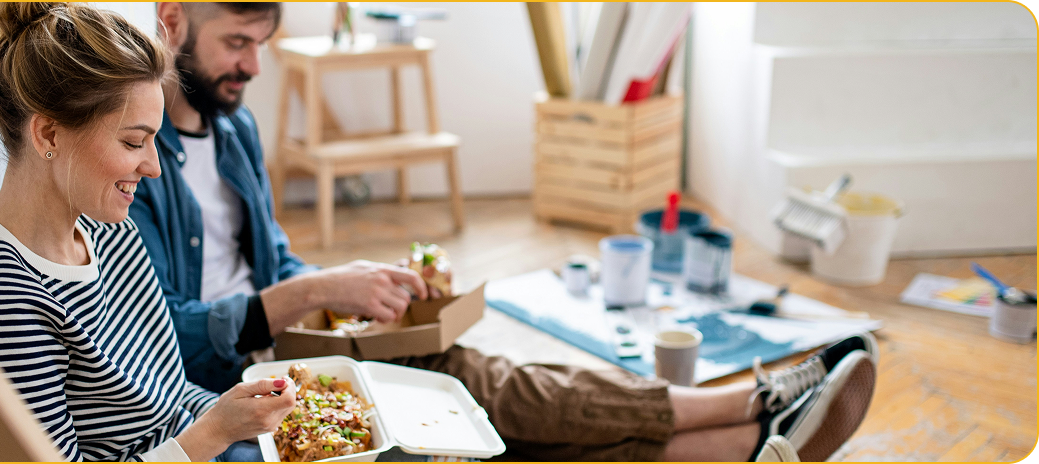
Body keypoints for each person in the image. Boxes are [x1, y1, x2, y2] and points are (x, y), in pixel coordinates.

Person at [132, 2, 879, 460]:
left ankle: (746, 435)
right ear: (172, 20)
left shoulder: (232, 130)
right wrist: (314, 290)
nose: (254, 65)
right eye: (237, 43)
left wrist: (350, 287)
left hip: (293, 343)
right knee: (485, 407)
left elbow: (269, 260)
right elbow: (159, 337)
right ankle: (747, 423)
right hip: (233, 382)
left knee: (477, 380)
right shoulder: (135, 161)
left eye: (262, 43)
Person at [0, 3, 296, 461]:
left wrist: (265, 421)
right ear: (49, 135)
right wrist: (214, 432)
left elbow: (167, 395)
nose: (152, 167)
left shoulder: (110, 230)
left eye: (153, 140)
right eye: (133, 142)